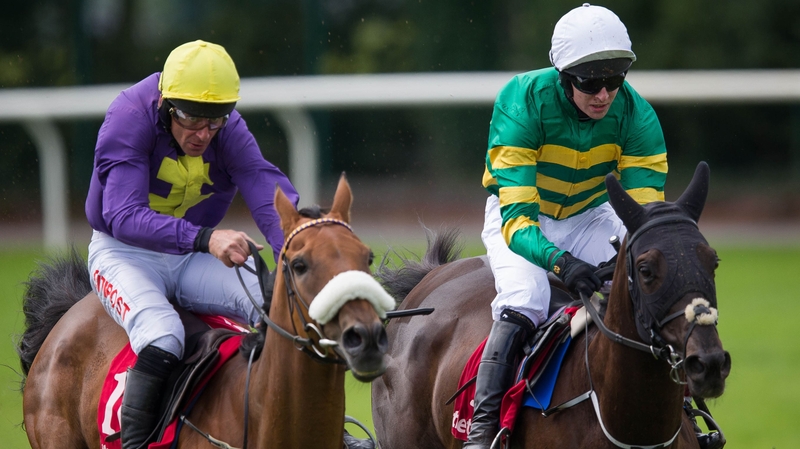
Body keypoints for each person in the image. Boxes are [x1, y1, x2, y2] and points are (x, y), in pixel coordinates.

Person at [466, 4, 668, 448]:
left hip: (592, 215)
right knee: (528, 298)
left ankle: (687, 411)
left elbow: (644, 220)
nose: (604, 94)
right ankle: (482, 431)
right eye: (590, 81)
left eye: (614, 80)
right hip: (523, 216)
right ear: (562, 75)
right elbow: (517, 221)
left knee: (654, 277)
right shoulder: (521, 99)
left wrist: (630, 257)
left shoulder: (638, 115)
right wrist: (562, 264)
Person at [85, 40, 299, 449]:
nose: (203, 133)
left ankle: (328, 429)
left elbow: (260, 181)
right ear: (165, 104)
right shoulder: (130, 116)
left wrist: (295, 242)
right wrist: (204, 237)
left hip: (188, 254)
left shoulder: (226, 127)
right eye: (191, 119)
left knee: (283, 309)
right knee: (163, 333)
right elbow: (124, 216)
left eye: (215, 121)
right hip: (122, 252)